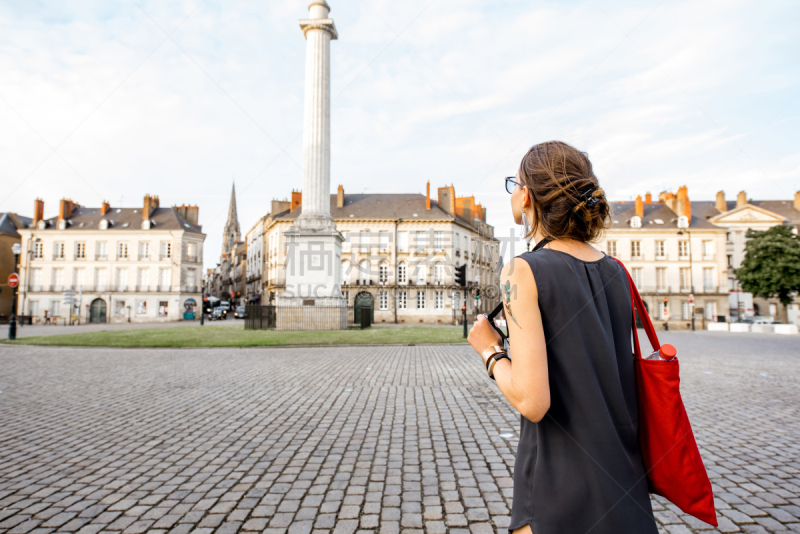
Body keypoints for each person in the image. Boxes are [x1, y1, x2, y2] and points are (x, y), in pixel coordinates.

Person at [468, 141, 658, 534]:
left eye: (514, 184)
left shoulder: (521, 272)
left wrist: (489, 350)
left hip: (559, 491)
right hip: (624, 483)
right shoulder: (617, 272)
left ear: (527, 198)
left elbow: (532, 401)